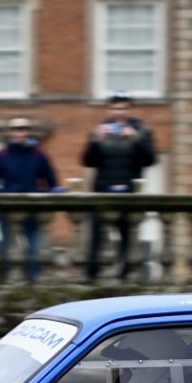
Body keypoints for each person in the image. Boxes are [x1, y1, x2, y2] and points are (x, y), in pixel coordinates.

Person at [81, 92, 157, 280]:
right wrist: (95, 141)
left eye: (123, 108)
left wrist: (135, 140)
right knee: (97, 234)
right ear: (109, 110)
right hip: (103, 190)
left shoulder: (142, 131)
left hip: (129, 190)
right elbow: (88, 161)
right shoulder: (100, 131)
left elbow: (150, 160)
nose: (119, 112)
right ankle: (92, 274)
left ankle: (127, 273)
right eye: (115, 108)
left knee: (127, 235)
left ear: (130, 110)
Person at [0, 118, 58, 283]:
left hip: (33, 209)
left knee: (35, 248)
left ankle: (34, 280)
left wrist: (42, 195)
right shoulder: (1, 156)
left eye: (23, 128)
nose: (19, 132)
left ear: (28, 131)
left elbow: (52, 181)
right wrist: (4, 193)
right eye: (16, 129)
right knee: (6, 247)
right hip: (8, 209)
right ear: (10, 132)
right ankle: (8, 279)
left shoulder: (38, 154)